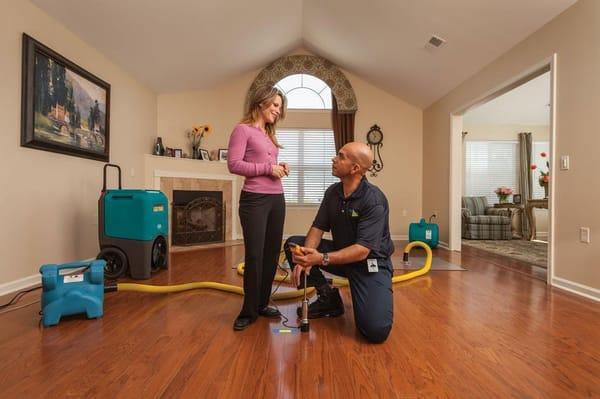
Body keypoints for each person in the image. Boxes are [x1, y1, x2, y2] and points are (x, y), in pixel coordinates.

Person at [284, 142, 394, 343]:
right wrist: (306, 256)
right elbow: (318, 228)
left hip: (369, 264)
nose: (334, 159)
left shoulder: (374, 200)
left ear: (355, 169)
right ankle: (329, 299)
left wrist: (321, 259)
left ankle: (367, 292)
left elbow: (362, 251)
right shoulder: (333, 193)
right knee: (294, 245)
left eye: (341, 156)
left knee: (375, 331)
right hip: (341, 257)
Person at [227, 86, 289, 331]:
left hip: (277, 198)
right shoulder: (243, 130)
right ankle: (248, 310)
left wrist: (279, 166)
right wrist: (267, 168)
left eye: (280, 107)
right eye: (274, 105)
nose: (277, 110)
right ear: (261, 103)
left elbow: (266, 164)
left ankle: (262, 304)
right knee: (255, 255)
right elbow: (233, 164)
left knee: (272, 254)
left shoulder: (269, 135)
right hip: (254, 200)